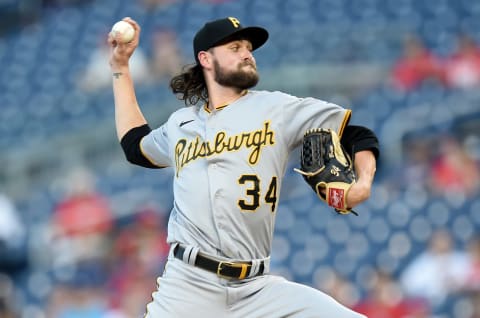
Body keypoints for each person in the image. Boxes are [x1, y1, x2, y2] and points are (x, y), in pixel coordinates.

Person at [108, 16, 379, 317]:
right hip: (188, 286)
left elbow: (357, 133)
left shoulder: (277, 109)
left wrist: (363, 183)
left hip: (257, 289)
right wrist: (120, 68)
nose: (247, 54)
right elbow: (135, 146)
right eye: (235, 47)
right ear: (205, 59)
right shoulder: (180, 124)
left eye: (249, 48)